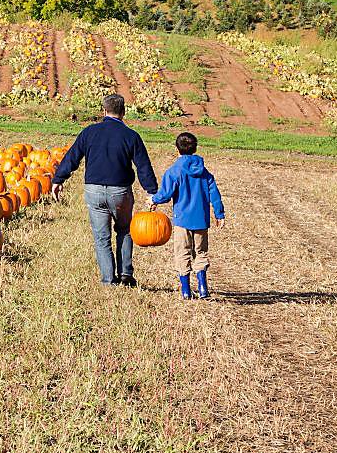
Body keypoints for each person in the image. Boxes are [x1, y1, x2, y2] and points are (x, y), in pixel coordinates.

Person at [51, 94, 158, 286]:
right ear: (123, 112)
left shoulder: (89, 132)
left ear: (104, 111)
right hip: (120, 192)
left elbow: (72, 157)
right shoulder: (131, 136)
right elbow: (143, 166)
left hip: (94, 190)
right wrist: (152, 192)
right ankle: (125, 274)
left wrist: (59, 179)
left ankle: (108, 280)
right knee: (125, 230)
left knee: (102, 236)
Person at [149, 131, 225, 300]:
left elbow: (166, 194)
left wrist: (153, 200)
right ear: (195, 148)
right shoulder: (204, 172)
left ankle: (185, 290)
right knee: (201, 252)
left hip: (182, 220)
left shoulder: (174, 171)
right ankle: (203, 288)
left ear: (177, 149)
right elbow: (215, 193)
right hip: (201, 220)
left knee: (182, 252)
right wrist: (219, 214)